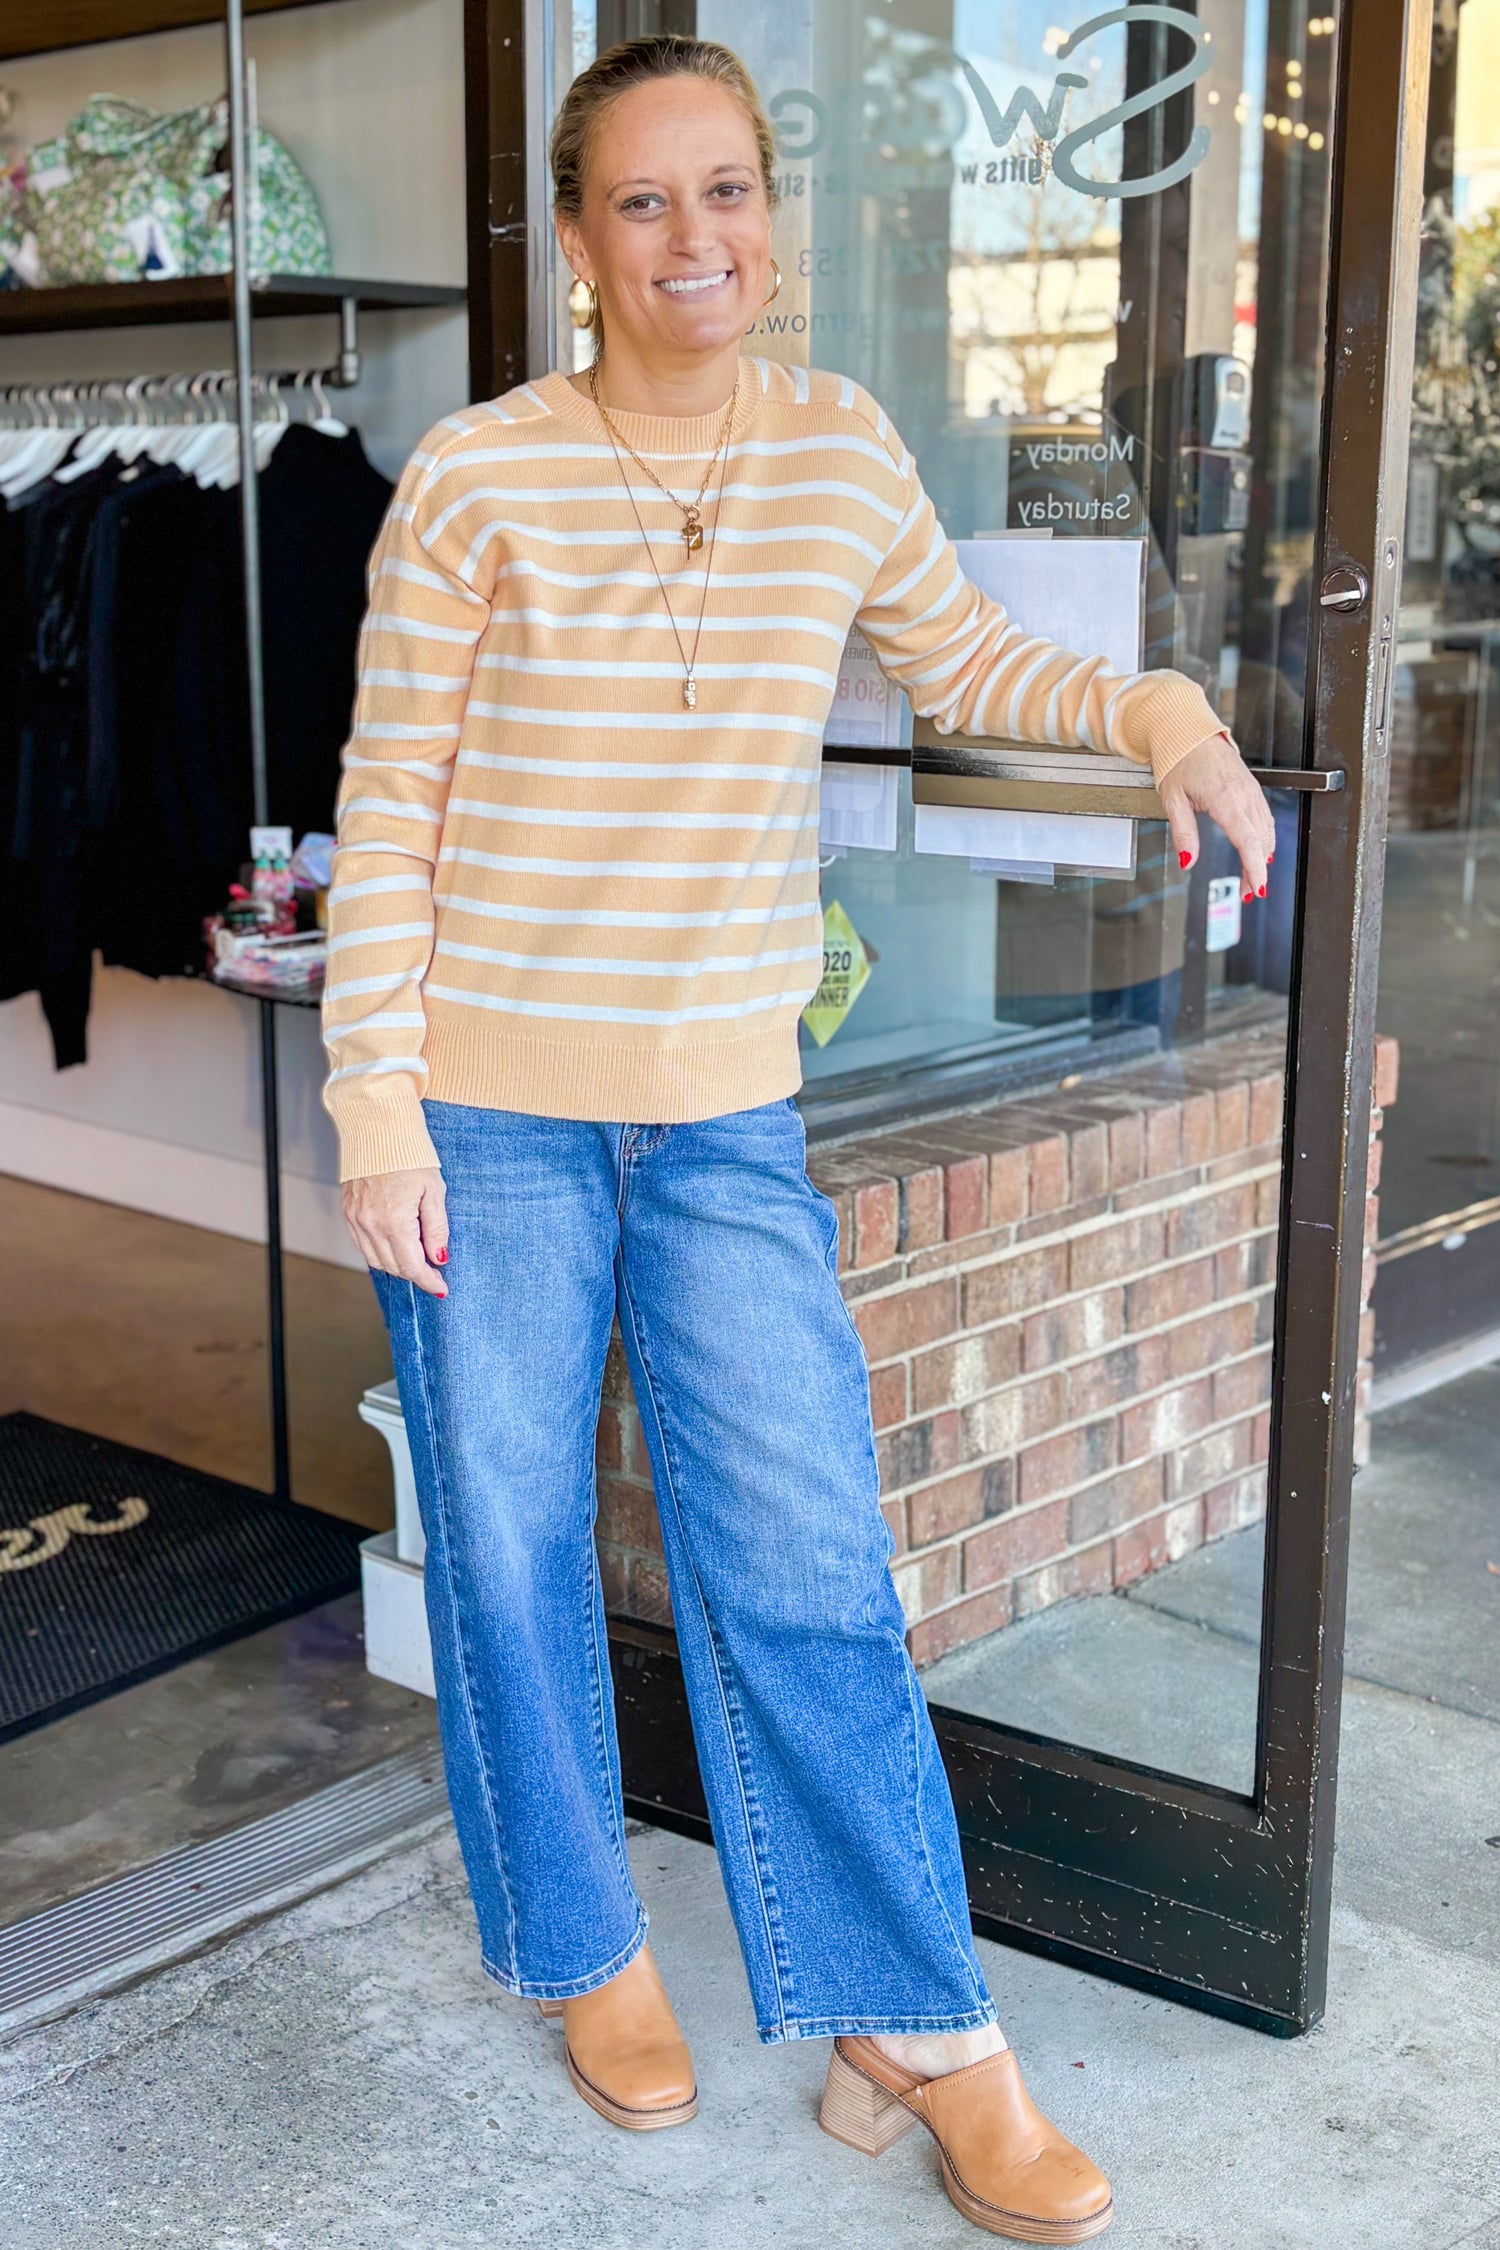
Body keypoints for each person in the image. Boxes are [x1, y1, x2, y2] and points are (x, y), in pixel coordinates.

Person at [323, 34, 1275, 2243]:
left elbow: (969, 663)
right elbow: (389, 809)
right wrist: (378, 1100)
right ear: (580, 241)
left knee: (812, 1566)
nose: (696, 238)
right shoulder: (476, 476)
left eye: (728, 191)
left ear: (775, 213)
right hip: (483, 1108)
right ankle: (582, 1943)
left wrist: (1159, 710)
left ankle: (915, 2027)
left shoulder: (838, 449)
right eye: (644, 201)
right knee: (509, 1552)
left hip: (722, 1115)